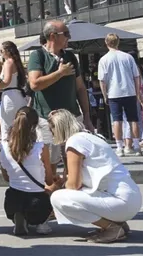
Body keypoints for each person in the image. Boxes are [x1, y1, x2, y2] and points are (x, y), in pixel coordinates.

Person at [48, 109, 142, 243]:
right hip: (130, 199)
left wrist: (59, 186)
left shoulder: (74, 142)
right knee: (75, 193)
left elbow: (74, 185)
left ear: (58, 128)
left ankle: (111, 227)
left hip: (120, 202)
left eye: (52, 130)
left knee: (58, 198)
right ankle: (118, 223)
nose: (52, 134)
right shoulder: (91, 136)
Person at [28, 21, 94, 173]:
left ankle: (71, 190)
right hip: (47, 119)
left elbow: (80, 88)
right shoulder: (38, 56)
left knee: (75, 162)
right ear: (52, 36)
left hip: (72, 117)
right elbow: (35, 84)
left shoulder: (70, 56)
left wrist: (87, 117)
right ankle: (51, 192)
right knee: (49, 163)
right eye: (66, 34)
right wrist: (60, 73)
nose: (69, 37)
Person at [0, 107, 58, 236]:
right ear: (35, 125)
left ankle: (19, 216)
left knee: (15, 190)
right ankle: (42, 223)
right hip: (37, 202)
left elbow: (6, 177)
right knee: (55, 186)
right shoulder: (41, 148)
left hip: (12, 200)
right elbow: (48, 180)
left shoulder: (3, 147)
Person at [97, 34, 142, 157]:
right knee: (133, 119)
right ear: (118, 42)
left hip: (113, 93)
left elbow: (102, 80)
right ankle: (137, 146)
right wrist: (137, 93)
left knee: (117, 120)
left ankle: (119, 147)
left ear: (106, 43)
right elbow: (136, 76)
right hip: (129, 91)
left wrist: (105, 94)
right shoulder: (128, 57)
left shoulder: (104, 59)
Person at [0, 42, 29, 142]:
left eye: (1, 50)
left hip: (9, 97)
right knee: (20, 129)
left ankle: (7, 155)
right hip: (19, 96)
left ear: (7, 51)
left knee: (7, 129)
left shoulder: (8, 62)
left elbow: (6, 81)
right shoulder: (17, 63)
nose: (0, 53)